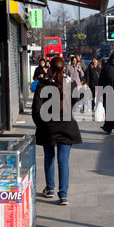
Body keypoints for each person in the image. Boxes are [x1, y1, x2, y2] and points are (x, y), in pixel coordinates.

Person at [32, 57, 82, 205]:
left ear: (50, 69)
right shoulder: (71, 84)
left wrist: (42, 125)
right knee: (63, 161)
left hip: (49, 127)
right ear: (64, 68)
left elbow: (36, 109)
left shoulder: (43, 84)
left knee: (49, 158)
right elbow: (76, 99)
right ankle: (63, 195)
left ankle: (50, 189)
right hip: (67, 126)